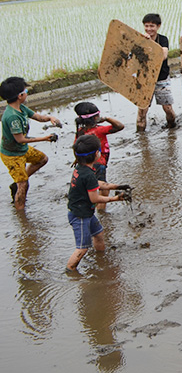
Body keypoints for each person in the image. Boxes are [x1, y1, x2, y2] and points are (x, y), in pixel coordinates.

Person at [66, 135, 130, 272]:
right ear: (96, 154)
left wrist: (117, 186)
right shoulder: (87, 174)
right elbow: (95, 199)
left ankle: (101, 260)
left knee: (99, 235)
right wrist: (115, 199)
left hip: (85, 212)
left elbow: (97, 184)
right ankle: (70, 269)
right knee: (82, 248)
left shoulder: (81, 168)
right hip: (81, 216)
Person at [1, 76, 61, 210]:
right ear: (20, 95)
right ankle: (21, 215)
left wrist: (50, 117)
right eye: (25, 91)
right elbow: (20, 139)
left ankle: (17, 182)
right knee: (23, 185)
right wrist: (45, 138)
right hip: (12, 155)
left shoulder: (21, 108)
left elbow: (38, 117)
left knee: (42, 159)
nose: (27, 93)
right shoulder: (12, 116)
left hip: (21, 149)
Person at [74, 102, 124, 212]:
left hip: (85, 164)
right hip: (99, 163)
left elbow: (76, 147)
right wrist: (106, 118)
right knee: (103, 188)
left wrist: (76, 160)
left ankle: (95, 208)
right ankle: (101, 212)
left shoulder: (80, 132)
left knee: (92, 186)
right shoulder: (99, 130)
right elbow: (120, 126)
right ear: (96, 118)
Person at [136, 13, 176, 131]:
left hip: (161, 78)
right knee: (142, 111)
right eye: (146, 26)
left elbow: (163, 56)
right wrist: (144, 43)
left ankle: (172, 129)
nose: (149, 29)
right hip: (145, 79)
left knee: (167, 108)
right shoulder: (140, 40)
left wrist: (151, 45)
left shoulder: (163, 39)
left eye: (152, 26)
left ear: (158, 26)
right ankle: (141, 137)